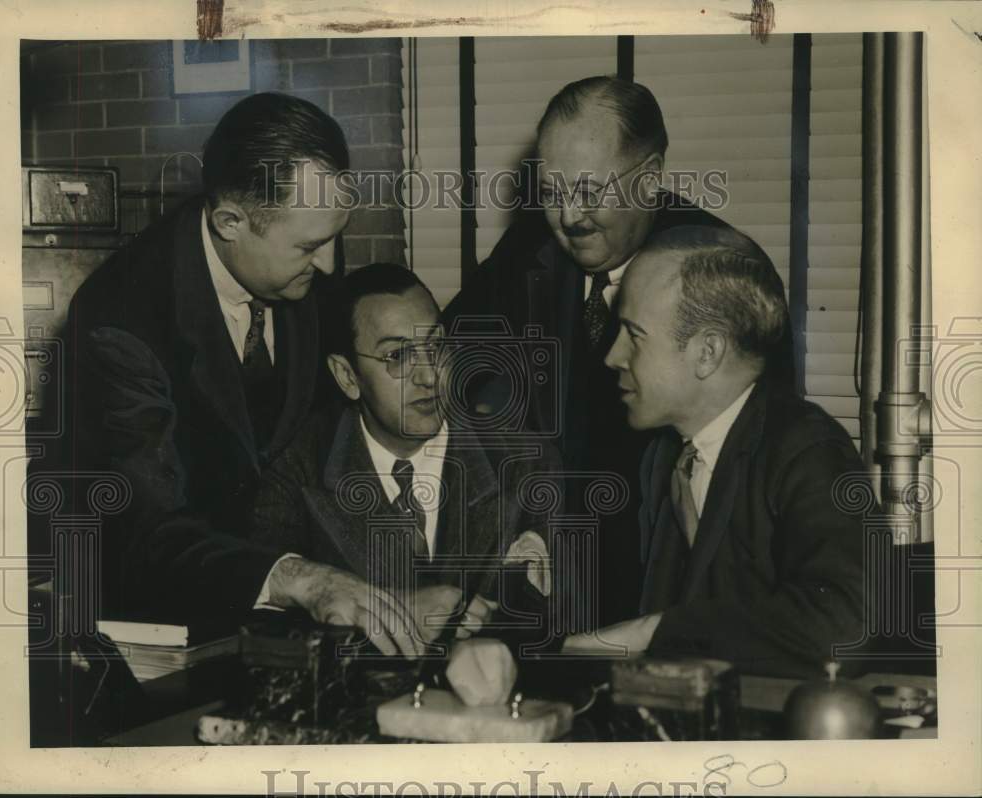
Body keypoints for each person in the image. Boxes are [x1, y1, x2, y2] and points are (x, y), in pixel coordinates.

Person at [62, 92, 423, 657]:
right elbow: (144, 531)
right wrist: (300, 579)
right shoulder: (118, 319)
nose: (330, 265)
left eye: (334, 236)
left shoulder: (299, 258)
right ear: (230, 222)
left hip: (277, 627)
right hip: (157, 635)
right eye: (310, 245)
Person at [443, 76, 748, 629]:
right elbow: (447, 364)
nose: (569, 219)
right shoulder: (525, 252)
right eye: (553, 193)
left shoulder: (724, 270)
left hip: (662, 589)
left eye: (589, 191)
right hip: (544, 580)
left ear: (650, 179)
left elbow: (742, 476)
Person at [561, 226, 867, 677]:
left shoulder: (808, 453)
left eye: (633, 334)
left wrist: (658, 631)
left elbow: (846, 629)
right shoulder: (664, 458)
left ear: (708, 352)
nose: (613, 356)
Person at [252, 263, 558, 652]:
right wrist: (391, 612)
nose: (429, 376)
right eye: (398, 356)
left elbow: (556, 629)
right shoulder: (295, 470)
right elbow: (266, 636)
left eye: (436, 346)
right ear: (347, 376)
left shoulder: (527, 463)